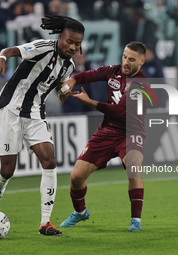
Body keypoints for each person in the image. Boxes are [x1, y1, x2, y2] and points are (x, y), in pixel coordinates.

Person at [0, 14, 85, 236]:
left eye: (77, 44)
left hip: (35, 113)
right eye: (69, 41)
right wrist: (2, 58)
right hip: (11, 108)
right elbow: (11, 50)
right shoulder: (42, 47)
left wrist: (63, 91)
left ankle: (45, 222)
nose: (72, 47)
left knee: (49, 160)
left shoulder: (68, 66)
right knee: (8, 169)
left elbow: (53, 85)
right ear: (61, 37)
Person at [59, 41, 148, 232]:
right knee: (76, 177)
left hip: (132, 133)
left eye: (131, 59)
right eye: (124, 56)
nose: (125, 62)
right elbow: (86, 75)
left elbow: (118, 111)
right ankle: (81, 212)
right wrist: (72, 80)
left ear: (141, 62)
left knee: (133, 167)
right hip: (107, 131)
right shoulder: (112, 71)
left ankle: (136, 220)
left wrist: (89, 101)